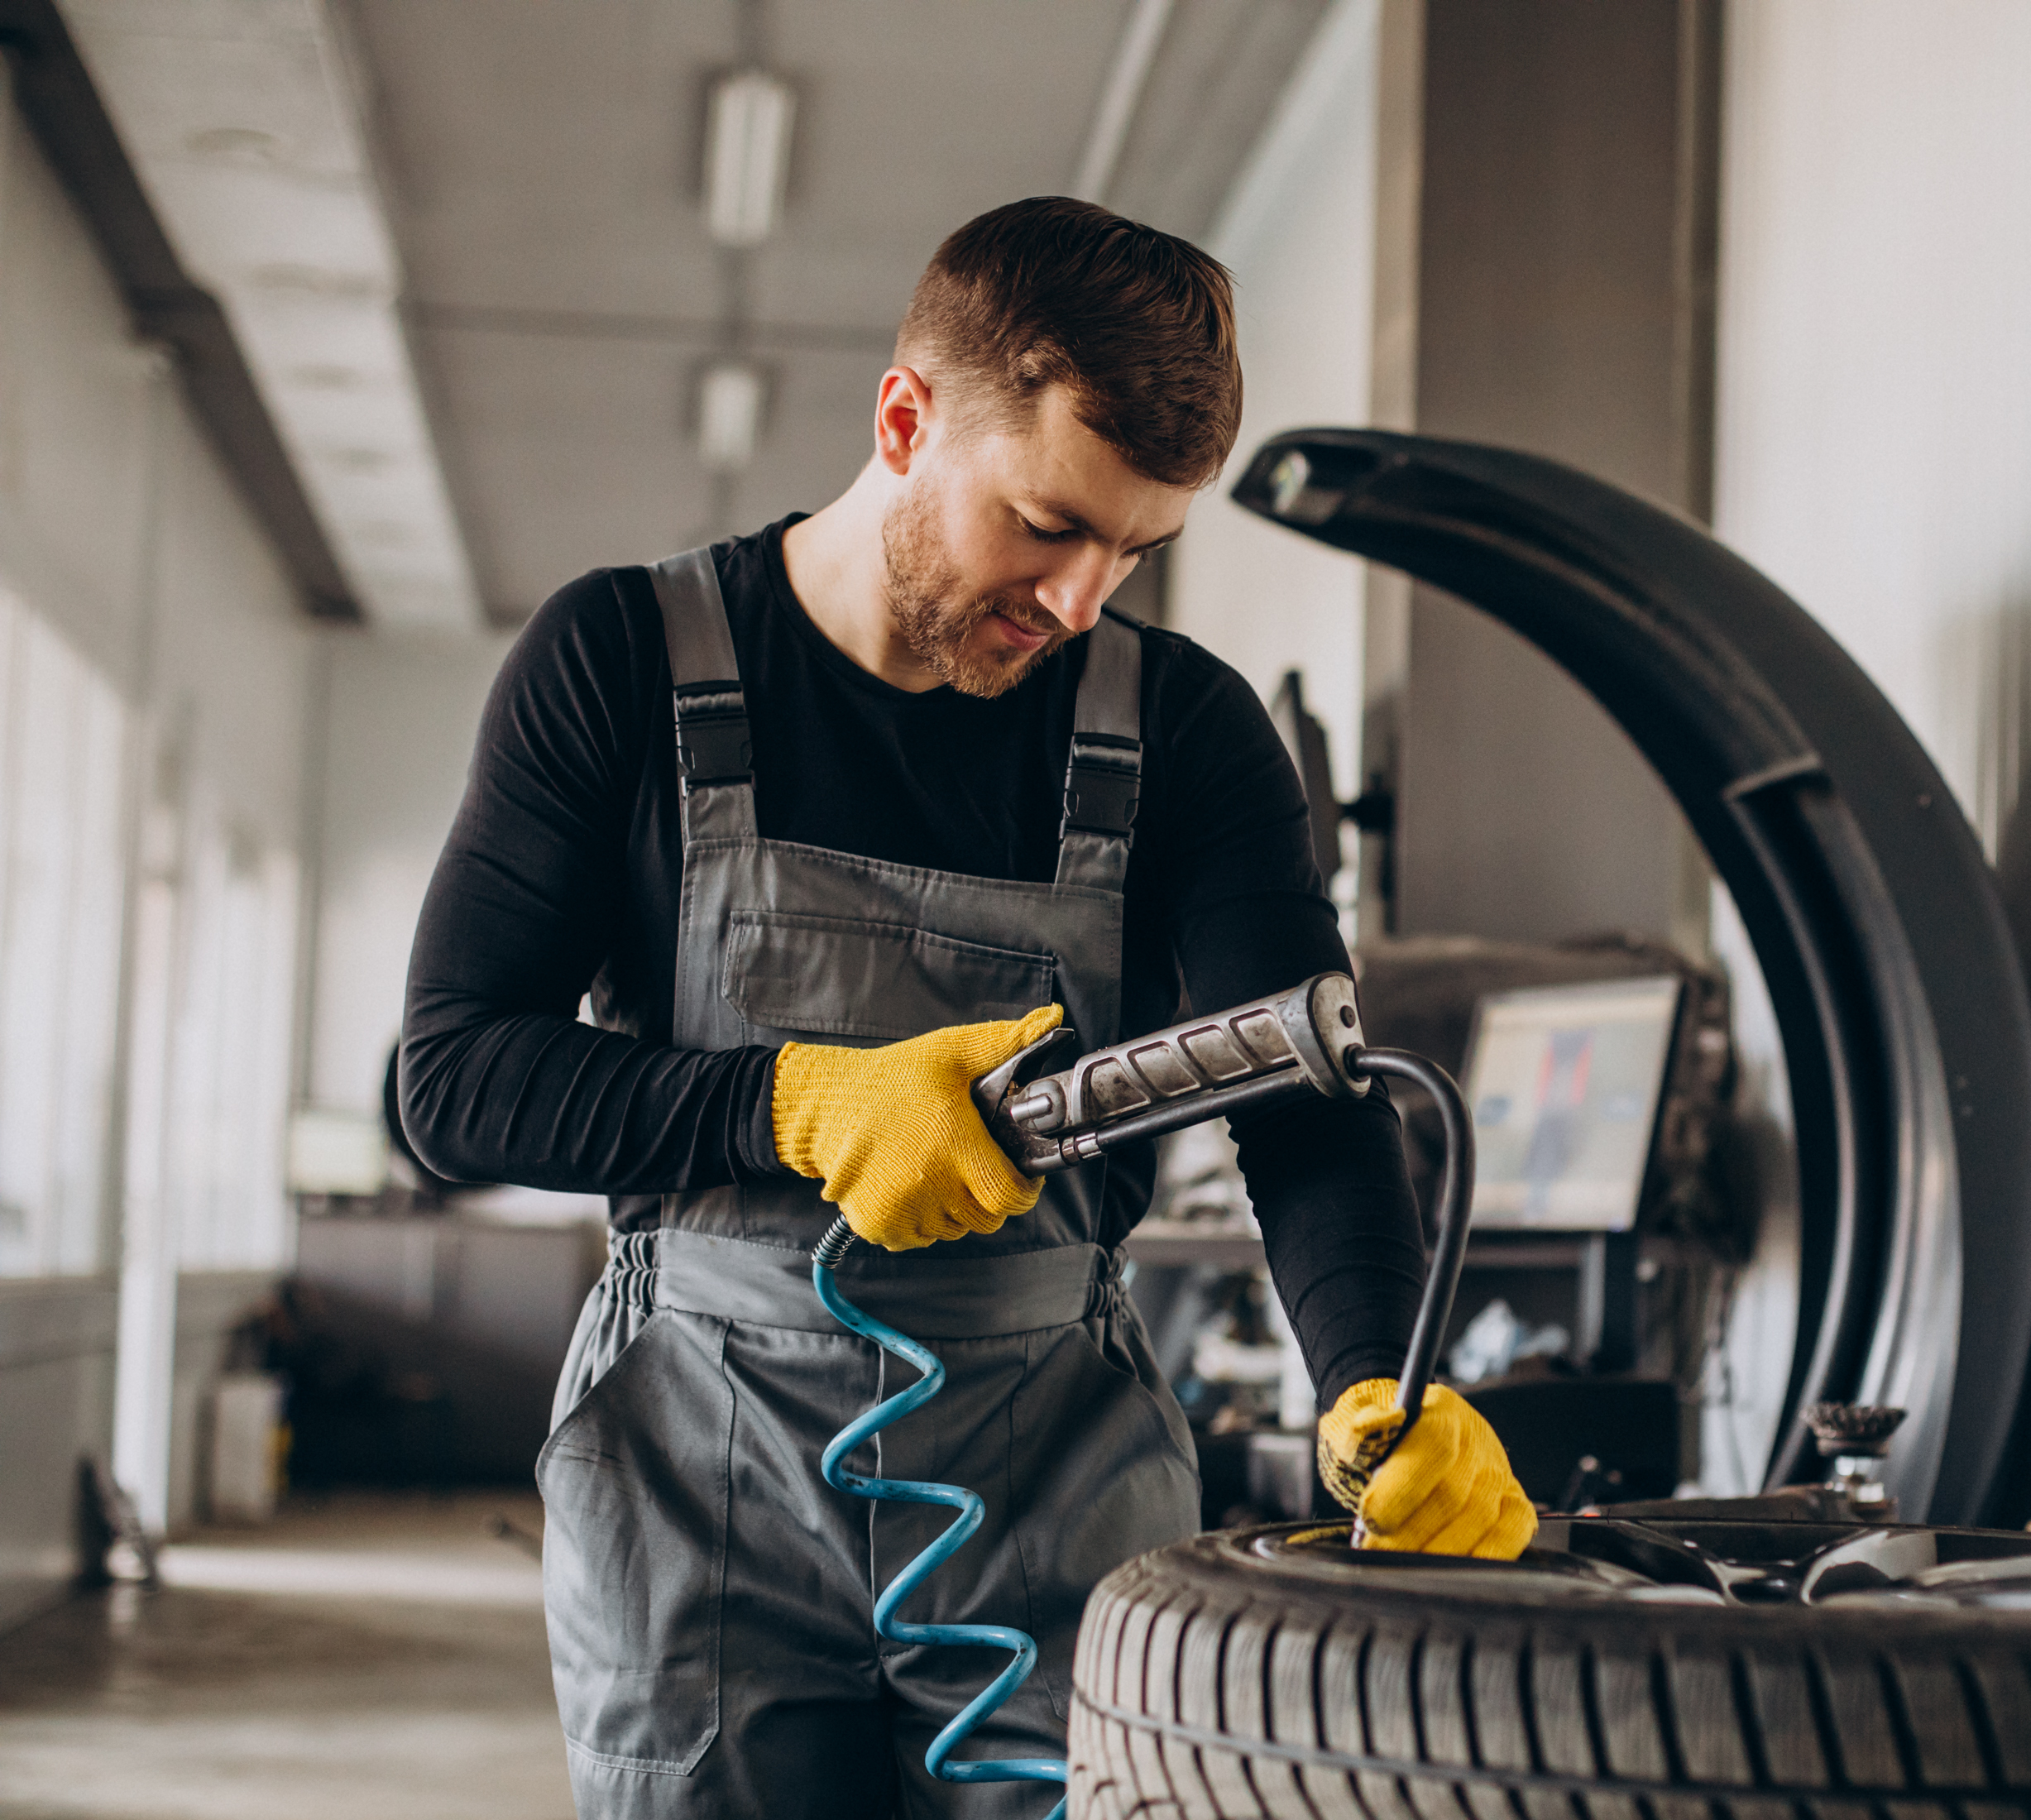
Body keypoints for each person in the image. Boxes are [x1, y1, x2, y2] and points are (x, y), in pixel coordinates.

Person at [399, 197, 1533, 1819]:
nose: (1081, 601)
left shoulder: (1185, 730)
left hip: (1054, 1484)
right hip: (697, 1493)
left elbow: (1301, 1088)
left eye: (1134, 552)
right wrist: (794, 1102)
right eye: (1049, 525)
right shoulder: (622, 660)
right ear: (904, 421)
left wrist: (1374, 1372)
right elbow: (452, 1080)